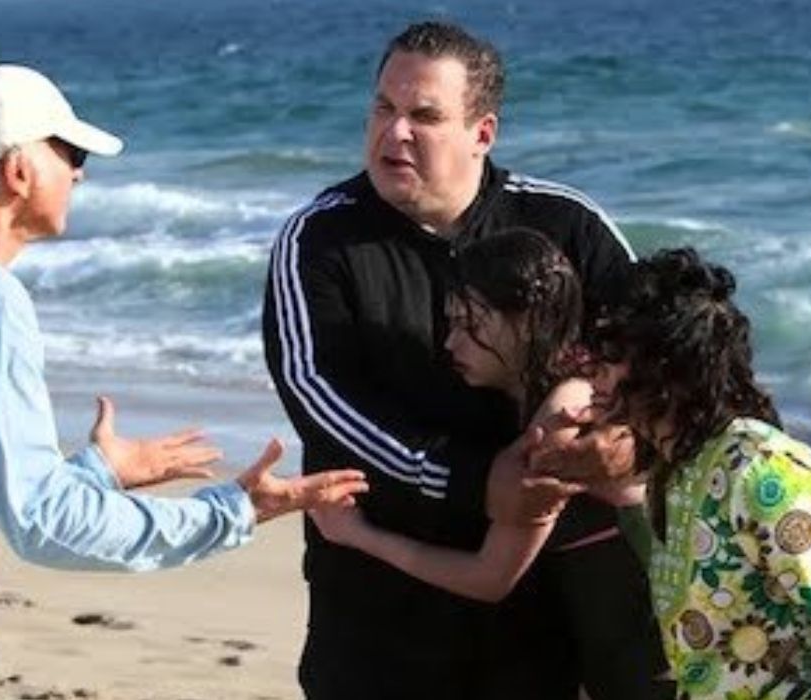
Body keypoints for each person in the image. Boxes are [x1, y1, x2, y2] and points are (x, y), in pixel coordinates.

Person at [0, 63, 367, 700]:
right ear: (18, 170)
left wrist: (94, 474)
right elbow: (44, 525)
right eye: (71, 152)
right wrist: (236, 511)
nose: (81, 171)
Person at [262, 21, 667, 700]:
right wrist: (470, 479)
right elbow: (320, 398)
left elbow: (658, 357)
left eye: (424, 115)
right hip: (379, 610)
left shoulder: (564, 223)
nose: (394, 134)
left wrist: (624, 445)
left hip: (546, 606)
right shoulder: (320, 238)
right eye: (383, 109)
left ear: (483, 132)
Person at [309, 229, 666, 699]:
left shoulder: (564, 412)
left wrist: (359, 535)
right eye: (452, 322)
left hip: (649, 660)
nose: (451, 343)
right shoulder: (561, 392)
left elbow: (491, 577)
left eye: (471, 323)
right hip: (615, 649)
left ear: (525, 321)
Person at [583, 248, 811, 699]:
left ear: (663, 365)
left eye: (607, 355)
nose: (590, 373)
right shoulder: (674, 472)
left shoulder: (759, 470)